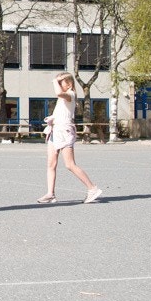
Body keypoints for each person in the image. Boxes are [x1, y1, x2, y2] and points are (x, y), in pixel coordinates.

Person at [41, 72, 104, 204]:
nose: (58, 84)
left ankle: (92, 188)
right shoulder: (63, 98)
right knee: (51, 164)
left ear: (69, 83)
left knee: (70, 164)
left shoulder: (71, 94)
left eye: (61, 82)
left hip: (64, 131)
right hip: (55, 130)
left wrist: (54, 81)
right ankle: (50, 193)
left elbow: (58, 93)